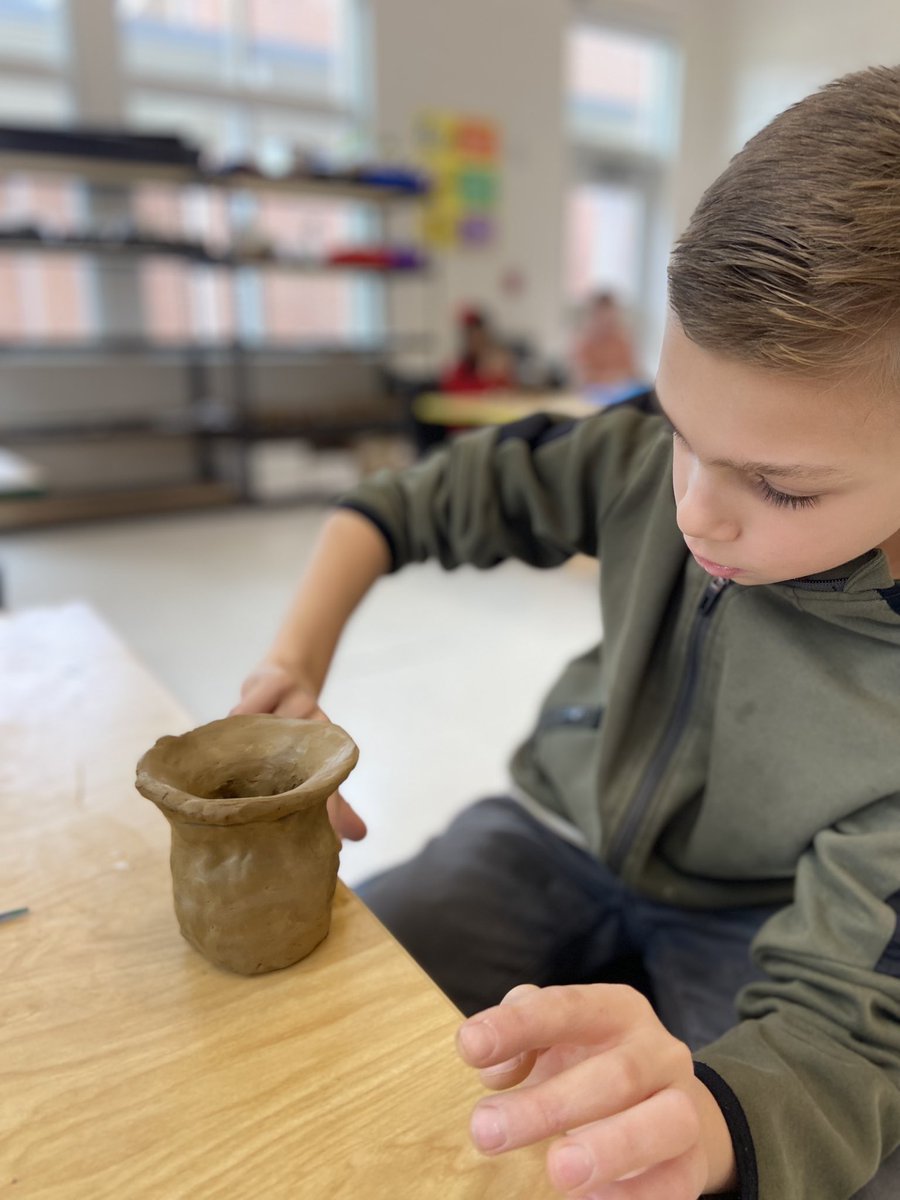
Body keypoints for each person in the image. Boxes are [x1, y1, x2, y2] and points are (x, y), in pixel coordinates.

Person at [232, 66, 900, 1199]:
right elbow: (399, 507)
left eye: (781, 488)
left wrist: (721, 1123)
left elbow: (846, 1037)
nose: (695, 510)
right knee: (316, 1013)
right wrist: (293, 664)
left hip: (757, 921)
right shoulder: (638, 453)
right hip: (547, 831)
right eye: (684, 429)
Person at [569, 290, 642, 389]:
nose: (606, 321)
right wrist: (612, 378)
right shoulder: (582, 342)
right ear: (594, 315)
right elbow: (581, 376)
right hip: (592, 396)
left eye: (610, 316)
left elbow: (634, 372)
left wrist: (611, 378)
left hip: (621, 393)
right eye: (602, 316)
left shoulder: (623, 340)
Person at [439, 305, 514, 393]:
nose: (474, 341)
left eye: (478, 335)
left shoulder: (497, 361)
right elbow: (451, 388)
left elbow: (507, 391)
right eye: (470, 336)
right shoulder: (462, 365)